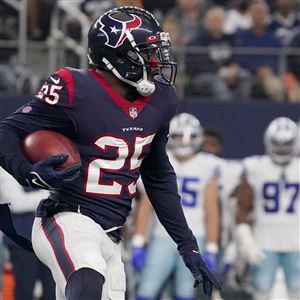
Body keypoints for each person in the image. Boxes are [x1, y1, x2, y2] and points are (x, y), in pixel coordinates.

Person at [0, 6, 220, 300]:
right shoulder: (74, 87)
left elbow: (157, 176)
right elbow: (7, 132)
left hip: (112, 233)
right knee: (88, 276)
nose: (156, 61)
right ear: (117, 56)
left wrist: (186, 243)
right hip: (66, 218)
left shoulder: (162, 99)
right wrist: (27, 173)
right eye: (146, 52)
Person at [132, 113, 221, 300]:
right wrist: (139, 240)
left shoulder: (207, 165)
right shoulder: (161, 159)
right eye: (179, 136)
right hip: (161, 234)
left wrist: (212, 247)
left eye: (188, 137)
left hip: (196, 236)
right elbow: (147, 204)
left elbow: (212, 212)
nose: (183, 142)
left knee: (185, 292)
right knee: (146, 290)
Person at [235, 117, 300, 300]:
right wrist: (246, 241)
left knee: (297, 290)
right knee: (261, 290)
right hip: (264, 239)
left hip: (297, 240)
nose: (282, 148)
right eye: (278, 143)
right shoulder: (256, 167)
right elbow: (242, 209)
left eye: (287, 143)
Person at [0, 167, 55, 300]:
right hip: (22, 241)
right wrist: (50, 195)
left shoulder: (45, 167)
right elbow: (17, 203)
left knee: (52, 291)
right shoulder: (7, 169)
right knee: (24, 291)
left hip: (49, 240)